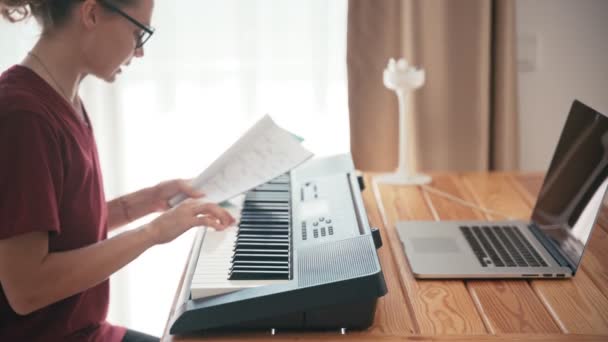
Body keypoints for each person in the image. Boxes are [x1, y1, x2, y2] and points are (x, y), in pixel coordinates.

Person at [0, 0, 236, 341]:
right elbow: (27, 288)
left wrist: (151, 200)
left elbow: (61, 231)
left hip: (86, 331)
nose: (138, 52)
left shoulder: (63, 99)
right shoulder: (23, 117)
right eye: (138, 32)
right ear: (91, 13)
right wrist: (154, 232)